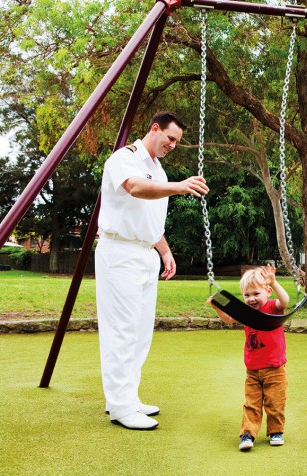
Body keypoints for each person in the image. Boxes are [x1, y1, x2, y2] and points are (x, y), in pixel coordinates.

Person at [96, 111, 209, 430]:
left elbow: (148, 218)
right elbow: (134, 188)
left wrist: (165, 251)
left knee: (141, 331)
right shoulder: (124, 158)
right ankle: (119, 406)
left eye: (177, 142)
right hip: (119, 252)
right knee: (123, 329)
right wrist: (180, 186)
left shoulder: (157, 169)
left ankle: (127, 398)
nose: (173, 145)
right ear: (154, 129)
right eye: (170, 138)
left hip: (145, 254)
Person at [208, 265, 290, 451]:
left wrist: (274, 282)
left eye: (256, 293)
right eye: (247, 295)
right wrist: (217, 307)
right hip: (252, 370)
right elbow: (228, 319)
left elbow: (285, 301)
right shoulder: (246, 313)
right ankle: (248, 434)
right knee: (251, 404)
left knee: (275, 403)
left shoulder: (272, 307)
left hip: (275, 369)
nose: (251, 299)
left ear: (267, 292)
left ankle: (276, 431)